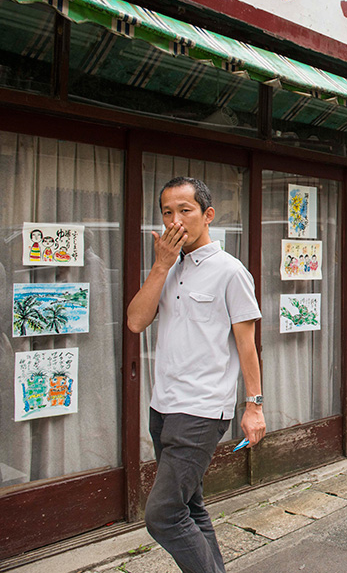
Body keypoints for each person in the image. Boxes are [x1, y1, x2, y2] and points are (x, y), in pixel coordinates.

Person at [128, 177, 265, 573]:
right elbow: (136, 322)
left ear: (207, 215)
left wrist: (253, 406)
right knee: (189, 507)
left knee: (163, 515)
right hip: (163, 406)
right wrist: (159, 266)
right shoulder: (167, 268)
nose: (175, 222)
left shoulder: (230, 272)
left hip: (202, 410)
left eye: (184, 211)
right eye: (167, 213)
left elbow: (247, 345)